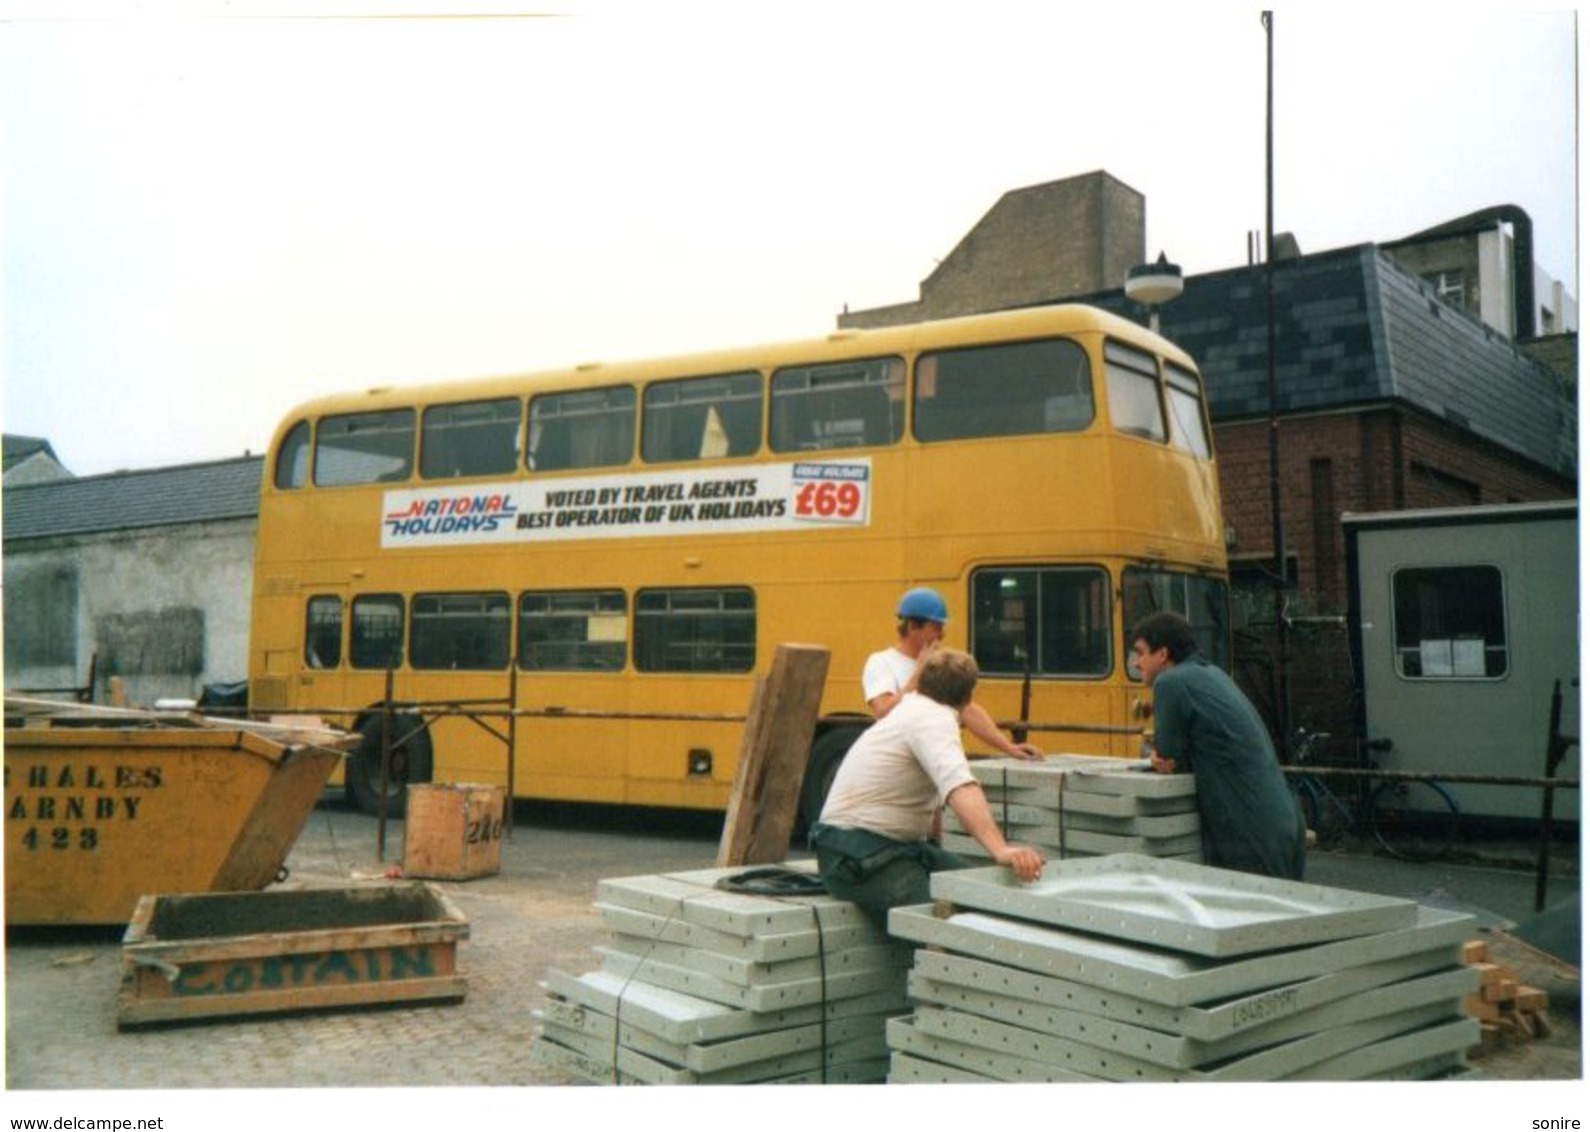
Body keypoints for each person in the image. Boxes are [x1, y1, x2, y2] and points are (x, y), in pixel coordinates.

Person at [809, 647, 1046, 924]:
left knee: (980, 890)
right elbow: (961, 788)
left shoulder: (912, 707)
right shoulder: (932, 720)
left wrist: (1007, 747)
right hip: (854, 854)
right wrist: (1000, 849)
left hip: (890, 848)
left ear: (922, 681)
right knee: (951, 920)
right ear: (968, 696)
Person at [1130, 610, 1306, 880]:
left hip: (1246, 825)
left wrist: (1158, 756)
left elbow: (1171, 761)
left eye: (1141, 653)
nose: (1136, 663)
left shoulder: (1171, 682)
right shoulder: (1213, 674)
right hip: (1283, 817)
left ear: (1162, 655)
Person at [863, 586, 1042, 760]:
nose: (942, 634)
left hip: (936, 761)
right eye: (936, 627)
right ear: (912, 626)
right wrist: (918, 673)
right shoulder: (881, 662)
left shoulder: (939, 664)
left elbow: (967, 709)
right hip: (902, 762)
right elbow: (882, 711)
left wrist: (1009, 748)